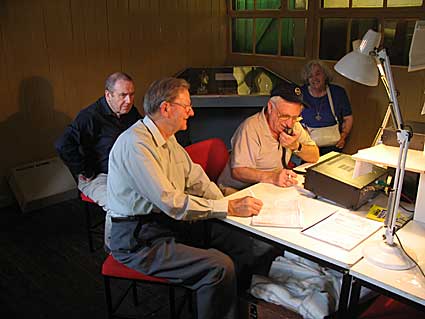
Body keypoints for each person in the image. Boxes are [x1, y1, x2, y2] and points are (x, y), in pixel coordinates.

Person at [107, 77, 276, 319]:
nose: (191, 111)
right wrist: (226, 206)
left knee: (240, 241)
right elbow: (172, 203)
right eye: (186, 106)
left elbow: (196, 177)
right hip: (138, 239)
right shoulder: (136, 145)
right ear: (166, 108)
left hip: (163, 225)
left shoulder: (167, 137)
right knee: (219, 266)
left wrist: (227, 207)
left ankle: (243, 308)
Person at [55, 72, 142, 250]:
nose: (129, 100)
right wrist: (83, 170)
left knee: (152, 192)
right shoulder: (90, 116)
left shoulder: (130, 112)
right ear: (108, 95)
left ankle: (143, 238)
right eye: (123, 95)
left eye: (132, 94)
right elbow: (62, 144)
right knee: (118, 205)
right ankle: (115, 252)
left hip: (124, 172)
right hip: (98, 175)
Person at [217, 82, 319, 194]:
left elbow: (314, 155)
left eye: (295, 117)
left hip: (268, 188)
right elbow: (238, 171)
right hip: (237, 191)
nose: (289, 124)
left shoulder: (294, 125)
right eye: (284, 116)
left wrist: (295, 146)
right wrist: (273, 178)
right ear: (270, 107)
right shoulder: (251, 128)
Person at [300, 60, 353, 155]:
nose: (314, 78)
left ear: (325, 75)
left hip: (334, 146)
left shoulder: (338, 92)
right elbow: (294, 119)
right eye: (310, 76)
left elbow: (348, 118)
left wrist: (343, 136)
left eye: (318, 74)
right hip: (308, 146)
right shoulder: (301, 93)